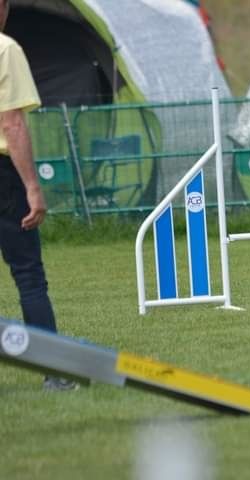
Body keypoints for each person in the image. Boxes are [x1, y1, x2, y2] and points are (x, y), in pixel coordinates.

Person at [0, 0, 77, 391]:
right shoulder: (5, 49)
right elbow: (12, 124)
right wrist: (32, 186)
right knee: (28, 276)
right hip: (3, 177)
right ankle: (55, 373)